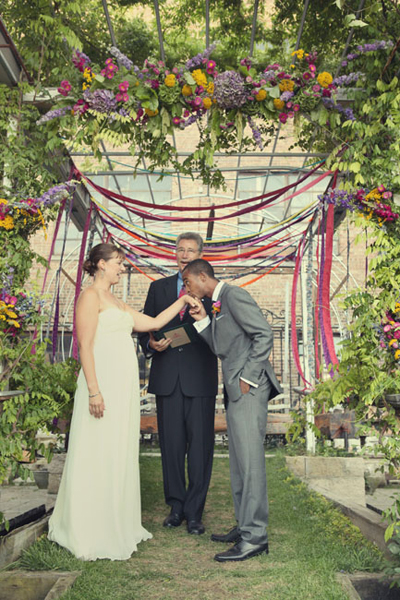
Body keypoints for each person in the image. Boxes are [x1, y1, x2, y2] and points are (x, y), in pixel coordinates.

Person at [48, 243, 200, 561]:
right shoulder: (89, 297)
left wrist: (184, 299)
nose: (122, 267)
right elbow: (85, 347)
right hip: (101, 385)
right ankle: (89, 527)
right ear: (101, 265)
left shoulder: (116, 300)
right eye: (117, 262)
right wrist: (93, 390)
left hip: (121, 388)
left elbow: (155, 323)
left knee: (117, 450)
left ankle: (114, 520)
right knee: (96, 450)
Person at [183, 258, 283, 563]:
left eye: (187, 282)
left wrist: (247, 378)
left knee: (250, 463)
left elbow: (264, 334)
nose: (186, 288)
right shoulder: (216, 303)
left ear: (202, 277)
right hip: (236, 390)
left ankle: (256, 538)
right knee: (240, 463)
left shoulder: (234, 295)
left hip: (248, 389)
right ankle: (245, 527)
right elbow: (220, 346)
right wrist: (202, 319)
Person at [139, 233, 218, 535]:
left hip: (200, 379)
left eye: (191, 251)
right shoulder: (157, 287)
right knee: (171, 447)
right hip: (167, 378)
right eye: (180, 250)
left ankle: (195, 513)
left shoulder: (212, 289)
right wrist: (151, 343)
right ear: (174, 253)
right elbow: (143, 328)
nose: (184, 255)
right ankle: (176, 506)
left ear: (200, 254)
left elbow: (220, 332)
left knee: (200, 448)